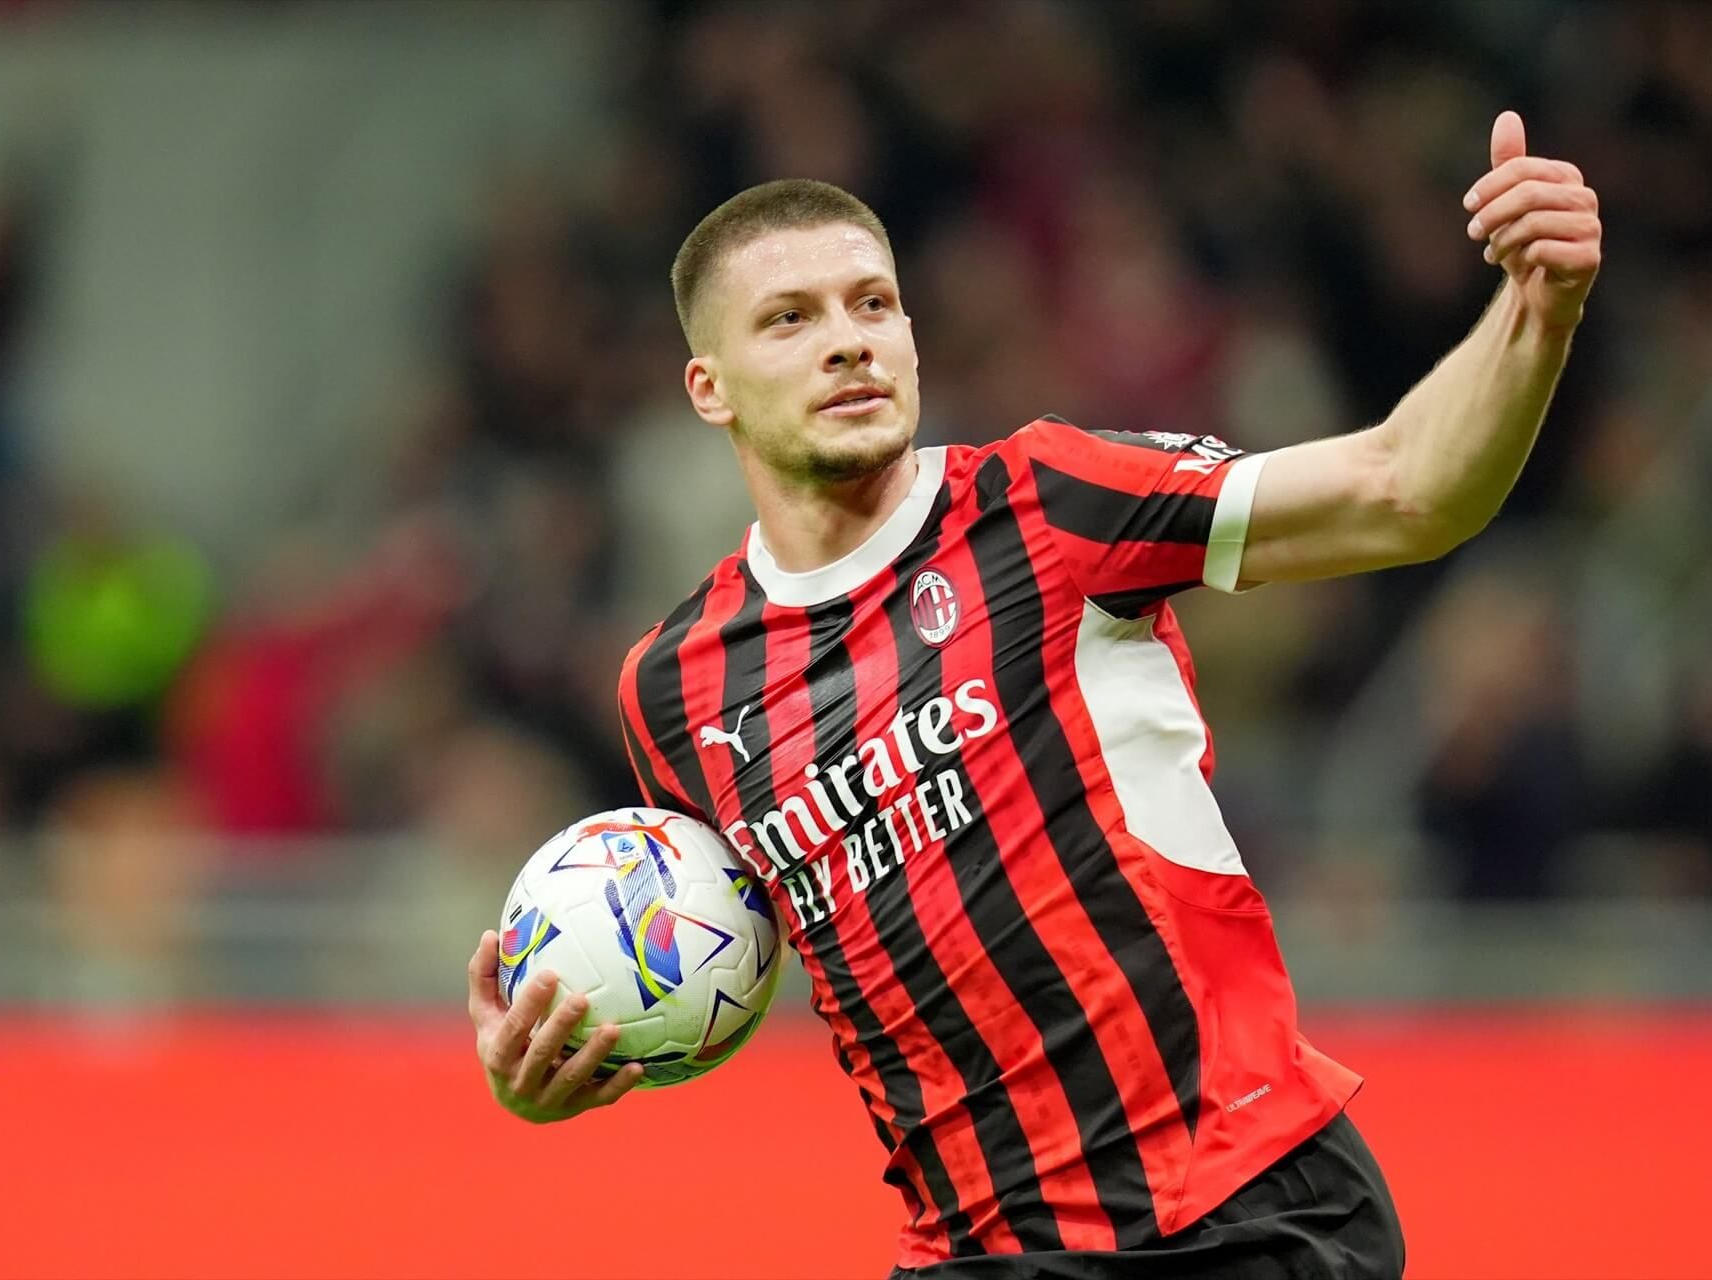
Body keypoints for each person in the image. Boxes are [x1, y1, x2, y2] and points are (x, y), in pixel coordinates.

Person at [465, 110, 1601, 1278]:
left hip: (1248, 1214)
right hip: (973, 1248)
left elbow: (1409, 487)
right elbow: (714, 949)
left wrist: (1538, 311)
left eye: (871, 303)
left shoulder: (1050, 501)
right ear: (710, 387)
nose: (848, 341)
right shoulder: (673, 687)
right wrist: (566, 1065)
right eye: (790, 319)